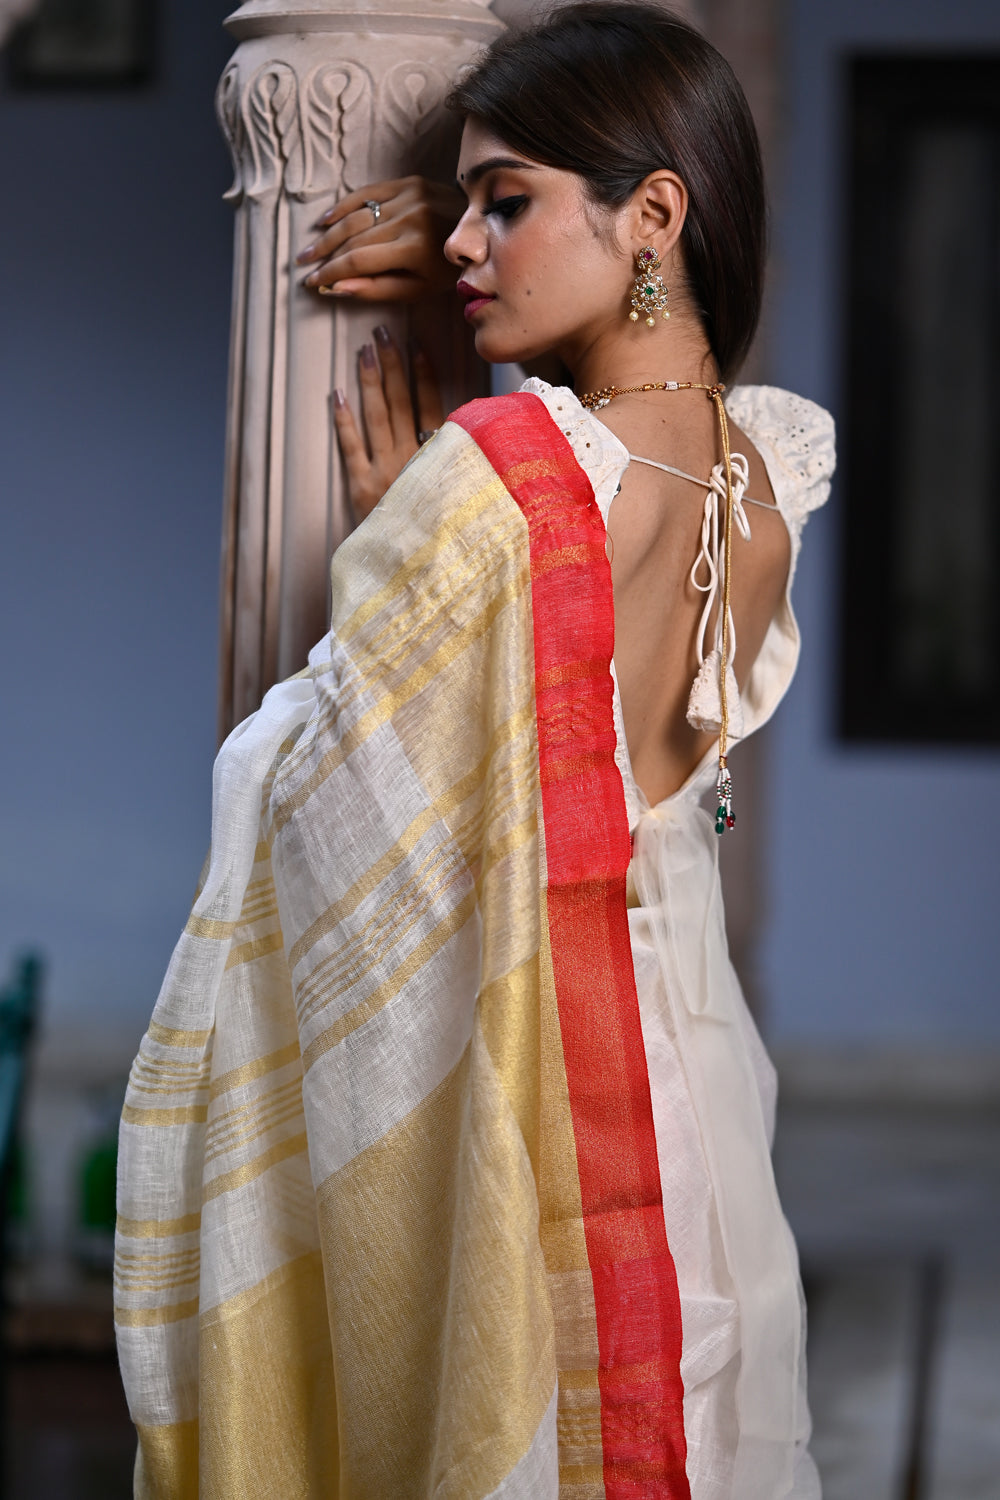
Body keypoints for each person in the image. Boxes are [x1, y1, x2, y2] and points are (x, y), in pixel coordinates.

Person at [115, 6, 835, 1498]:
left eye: (503, 202)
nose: (460, 244)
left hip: (540, 1066)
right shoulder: (767, 469)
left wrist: (405, 553)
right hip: (692, 1062)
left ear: (655, 211)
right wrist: (486, 241)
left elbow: (309, 782)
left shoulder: (502, 488)